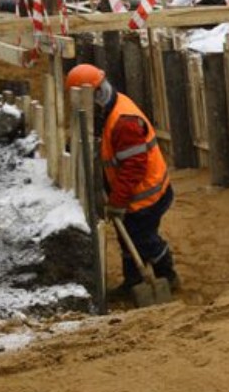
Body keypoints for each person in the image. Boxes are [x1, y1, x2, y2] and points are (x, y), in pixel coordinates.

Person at [65, 63, 179, 297]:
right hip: (136, 194)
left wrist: (118, 201)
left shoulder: (124, 122)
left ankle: (167, 274)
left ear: (94, 95)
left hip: (146, 197)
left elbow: (133, 168)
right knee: (128, 239)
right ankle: (133, 281)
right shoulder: (112, 108)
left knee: (143, 238)